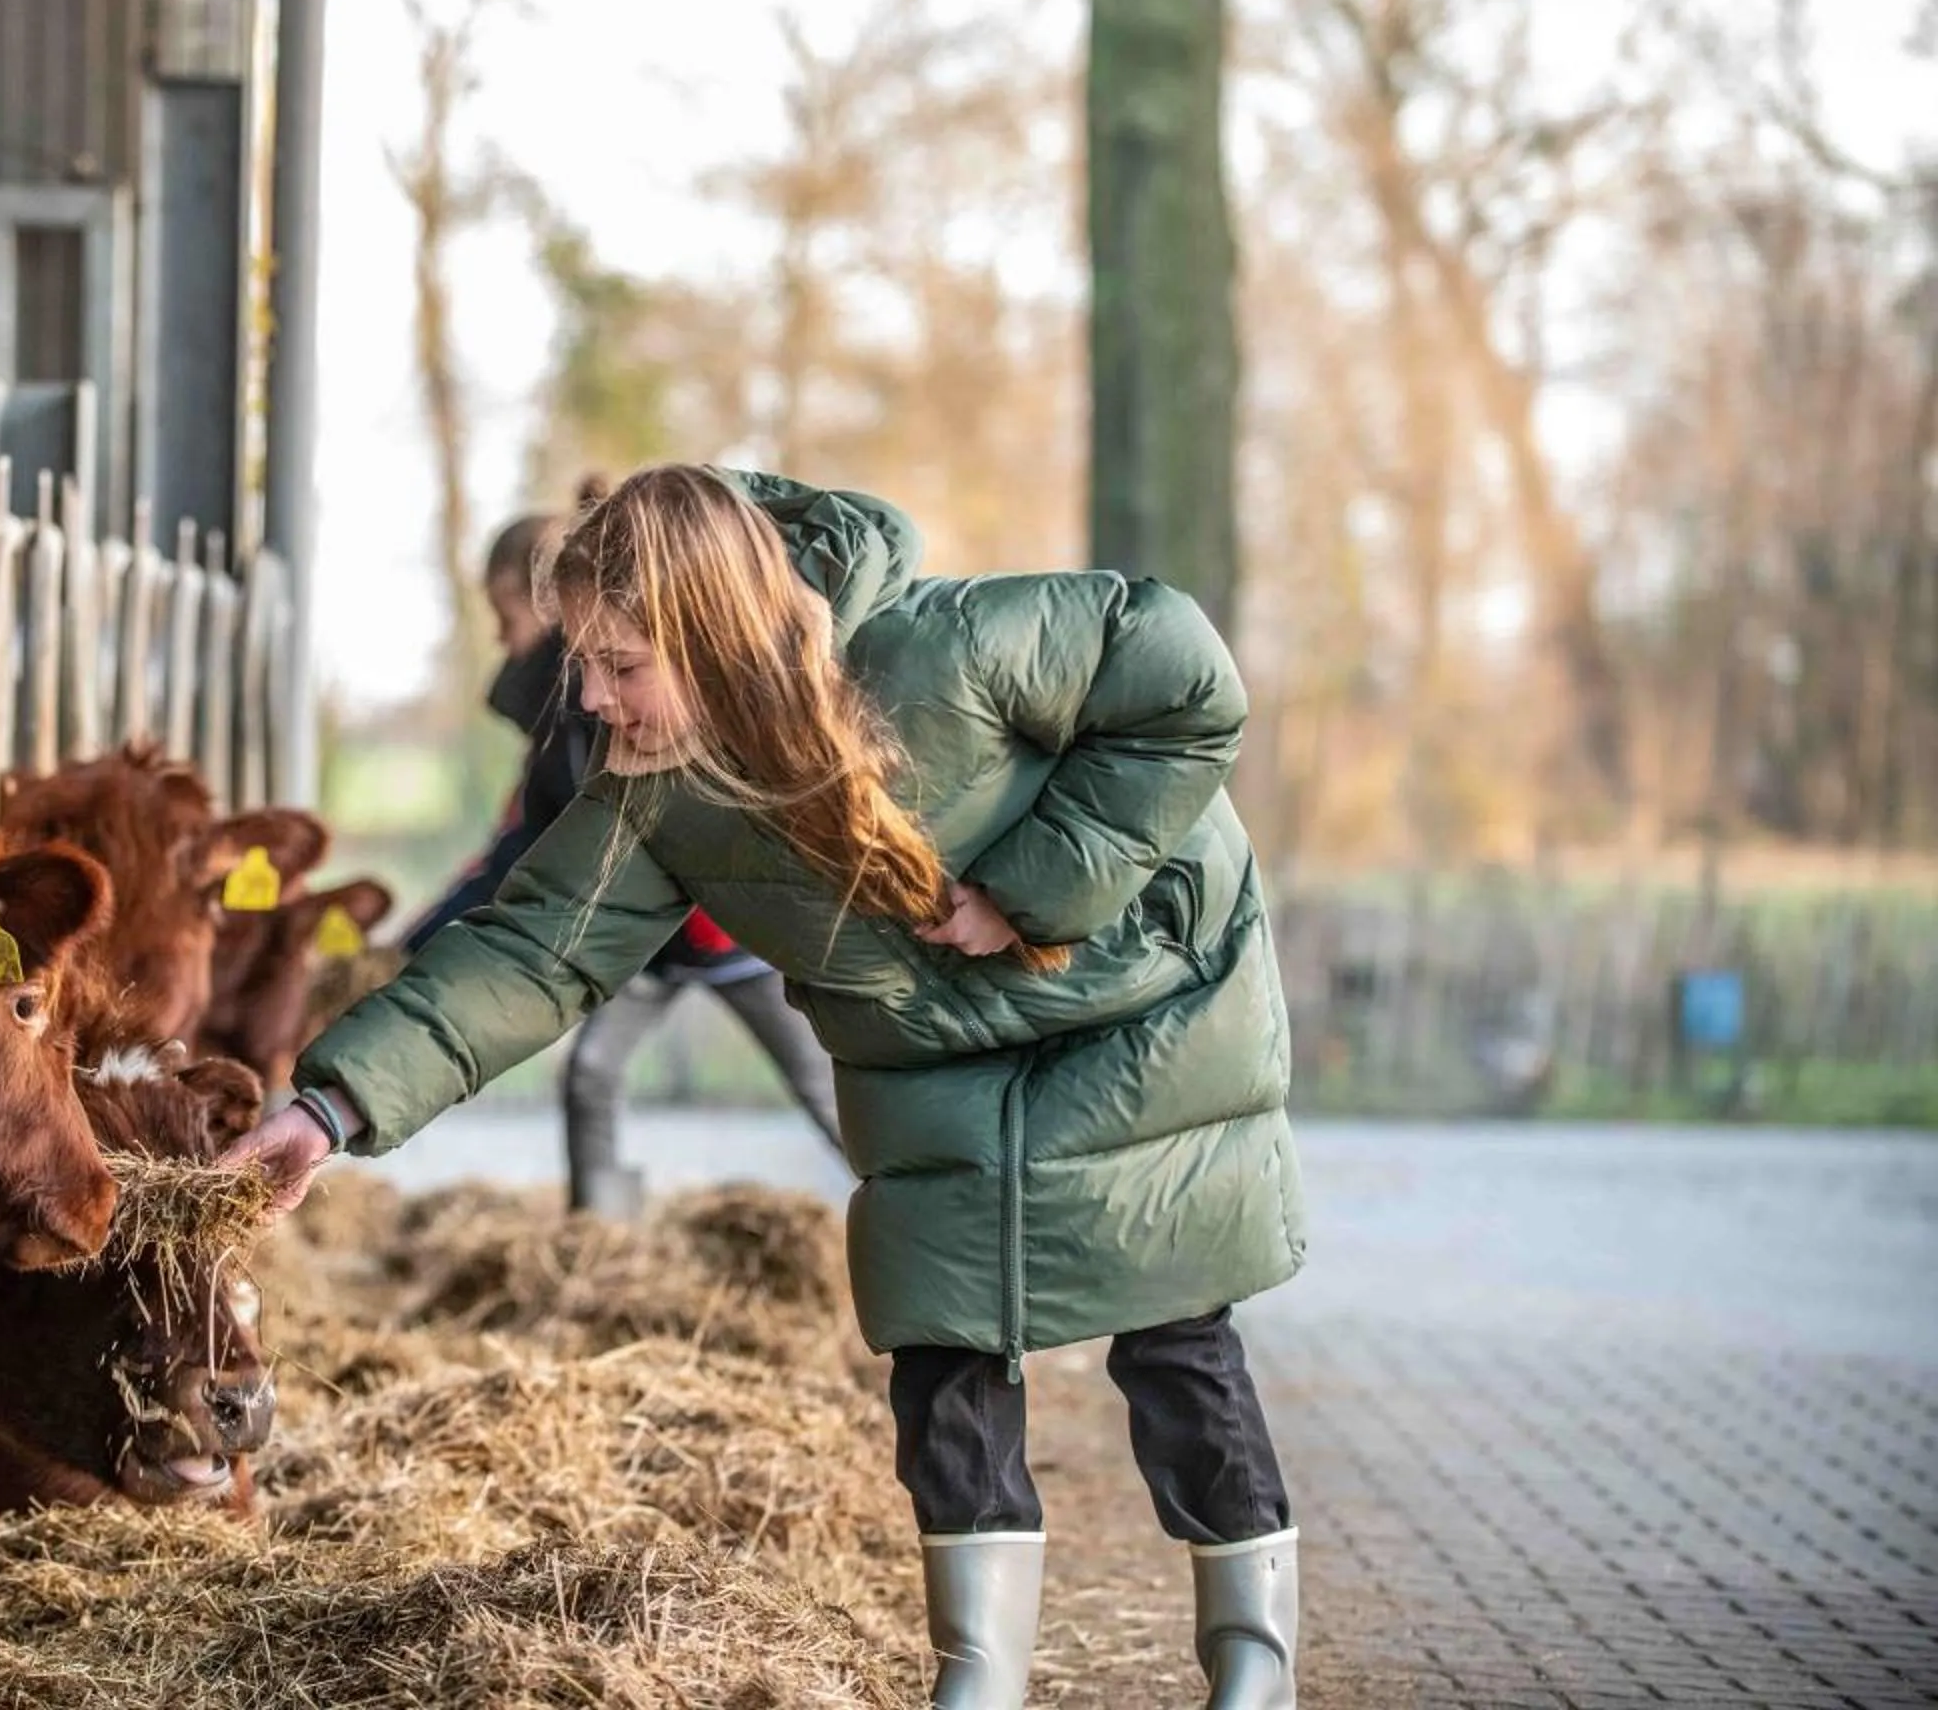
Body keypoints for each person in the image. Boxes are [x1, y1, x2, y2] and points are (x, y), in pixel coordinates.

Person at [227, 466, 1306, 1710]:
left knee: (1171, 1340)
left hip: (1132, 999)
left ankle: (1251, 1668)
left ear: (713, 630)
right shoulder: (652, 788)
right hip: (931, 1055)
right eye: (584, 661)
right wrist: (329, 1108)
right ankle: (980, 1678)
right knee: (941, 1359)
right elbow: (532, 948)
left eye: (621, 662)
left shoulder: (944, 649)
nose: (590, 694)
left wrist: (1037, 884)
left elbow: (1181, 676)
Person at [404, 490, 841, 1218]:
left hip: (741, 939)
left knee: (821, 1083)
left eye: (506, 614)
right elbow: (525, 847)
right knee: (591, 1071)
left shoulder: (677, 688)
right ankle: (599, 1237)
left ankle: (902, 1201)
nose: (498, 637)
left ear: (550, 608)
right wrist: (420, 940)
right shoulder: (567, 726)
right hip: (652, 941)